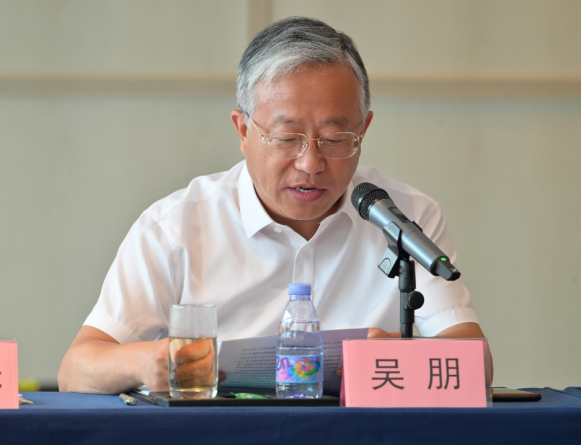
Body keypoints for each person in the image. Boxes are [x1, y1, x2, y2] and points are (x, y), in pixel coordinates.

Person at [58, 17, 489, 394]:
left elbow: (477, 364)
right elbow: (76, 369)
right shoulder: (175, 227)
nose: (310, 163)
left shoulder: (404, 217)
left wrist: (407, 359)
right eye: (286, 138)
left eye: (335, 138)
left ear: (364, 129)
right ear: (243, 131)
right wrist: (144, 363)